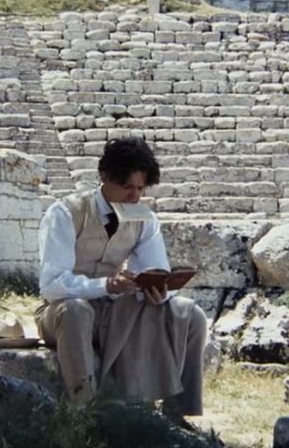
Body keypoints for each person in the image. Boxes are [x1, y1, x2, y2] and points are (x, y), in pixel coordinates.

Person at [35, 137, 206, 418]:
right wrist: (106, 285)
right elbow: (53, 285)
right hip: (62, 312)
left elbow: (155, 269)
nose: (135, 197)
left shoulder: (144, 218)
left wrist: (158, 291)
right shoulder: (65, 212)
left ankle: (176, 415)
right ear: (104, 177)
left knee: (190, 315)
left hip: (115, 308)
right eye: (127, 187)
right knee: (76, 310)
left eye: (140, 188)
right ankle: (86, 415)